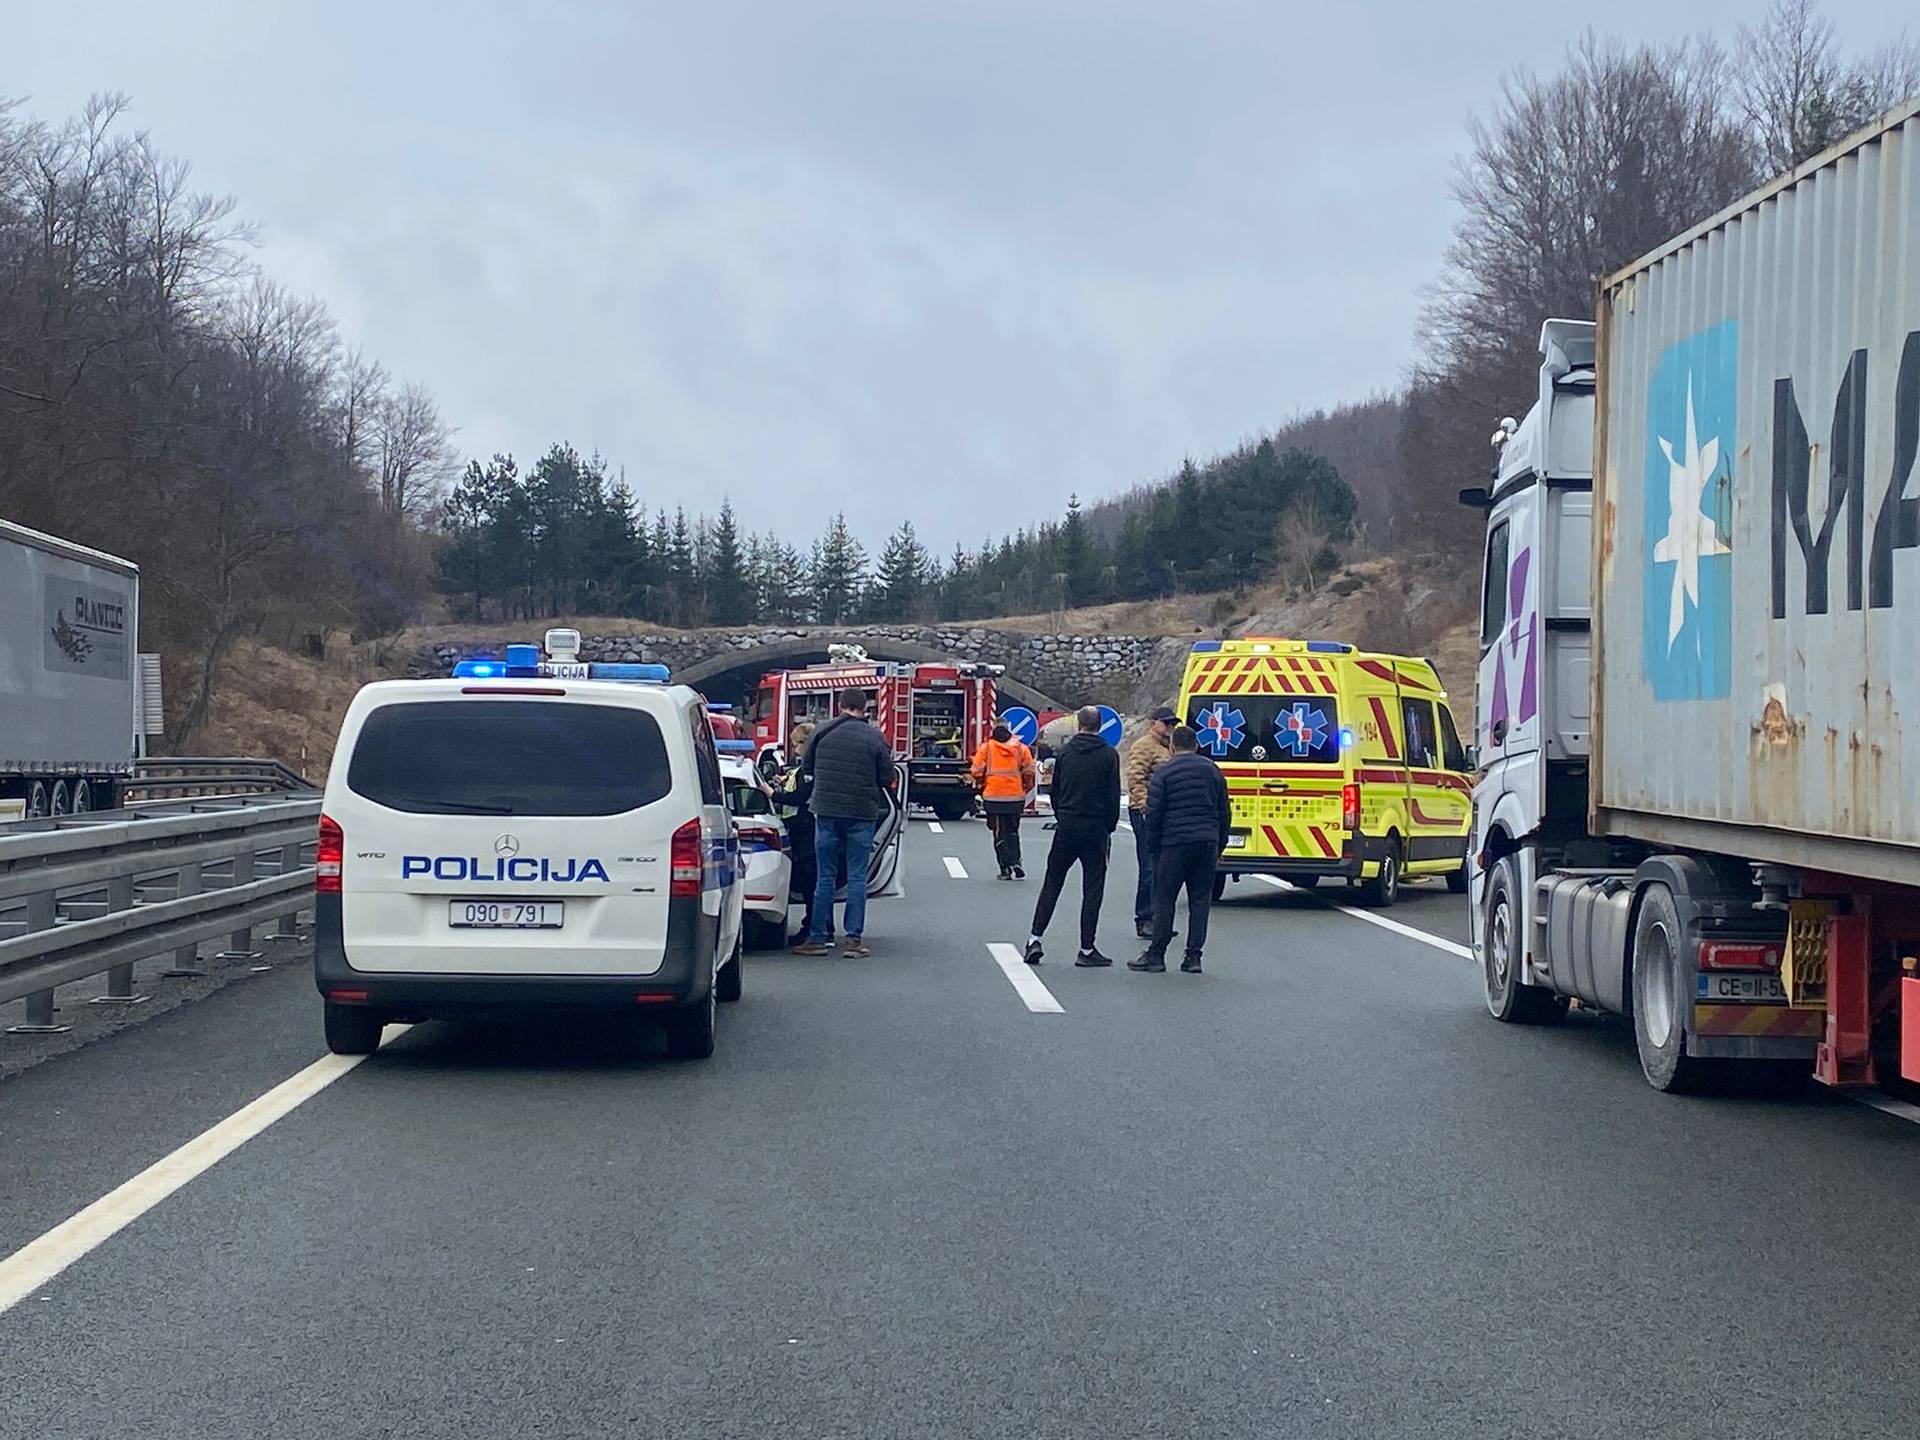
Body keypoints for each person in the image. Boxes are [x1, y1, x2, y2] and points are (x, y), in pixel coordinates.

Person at [793, 690, 895, 958]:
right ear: (864, 708)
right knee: (857, 877)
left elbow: (807, 769)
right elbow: (887, 776)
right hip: (862, 813)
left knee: (824, 876)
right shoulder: (875, 737)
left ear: (840, 705)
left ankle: (817, 938)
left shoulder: (822, 731)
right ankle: (853, 940)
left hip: (825, 812)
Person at [1023, 706, 1121, 968]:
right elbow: (1113, 796)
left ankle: (1035, 938)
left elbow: (1055, 790)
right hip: (1095, 828)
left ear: (1079, 725)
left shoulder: (1064, 753)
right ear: (1100, 726)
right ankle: (1087, 949)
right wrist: (1108, 827)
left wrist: (1062, 816)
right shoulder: (1109, 756)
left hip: (1067, 826)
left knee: (1053, 883)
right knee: (1092, 889)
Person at [1132, 724, 1232, 975]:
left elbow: (1154, 814)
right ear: (1196, 746)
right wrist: (1220, 843)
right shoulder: (1213, 771)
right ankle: (1193, 957)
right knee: (1200, 902)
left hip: (1173, 844)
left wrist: (1153, 847)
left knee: (1164, 899)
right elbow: (1224, 812)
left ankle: (1156, 956)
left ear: (1173, 747)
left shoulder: (1165, 773)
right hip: (1206, 843)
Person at [1124, 706, 1178, 938]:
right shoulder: (1144, 746)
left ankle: (1159, 919)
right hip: (1146, 814)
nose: (1170, 728)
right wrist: (1146, 808)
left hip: (1165, 814)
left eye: (1172, 724)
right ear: (1153, 723)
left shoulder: (1169, 748)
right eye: (1166, 723)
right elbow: (1135, 780)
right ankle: (1144, 917)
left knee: (1162, 868)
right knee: (1148, 867)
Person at [772, 721, 821, 947]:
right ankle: (818, 926)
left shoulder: (810, 769)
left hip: (806, 831)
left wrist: (772, 793)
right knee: (812, 883)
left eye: (797, 744)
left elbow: (799, 797)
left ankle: (813, 927)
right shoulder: (806, 768)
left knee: (811, 883)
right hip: (804, 829)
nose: (795, 749)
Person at [972, 721, 1036, 879]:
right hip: (1015, 797)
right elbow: (1029, 771)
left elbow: (976, 771)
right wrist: (1023, 785)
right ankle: (1016, 862)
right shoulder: (1021, 749)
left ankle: (1005, 868)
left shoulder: (986, 748)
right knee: (1013, 830)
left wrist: (983, 781)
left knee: (999, 832)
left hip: (993, 797)